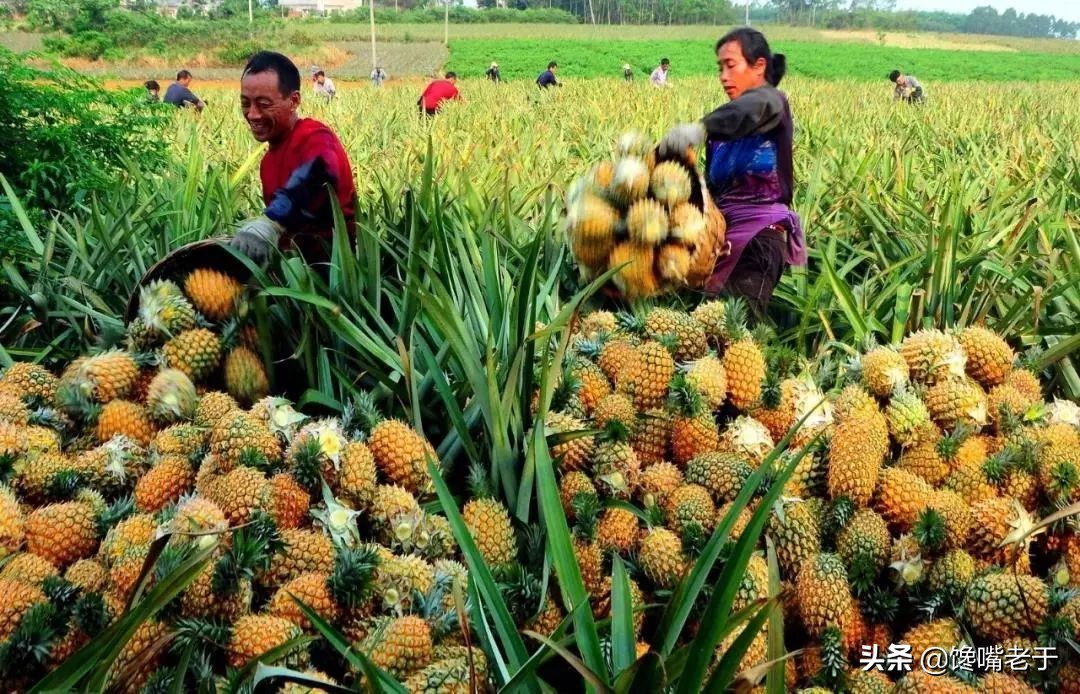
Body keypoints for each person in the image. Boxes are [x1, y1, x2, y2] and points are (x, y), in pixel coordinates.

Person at [657, 28, 806, 320]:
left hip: (759, 239)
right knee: (703, 334)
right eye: (720, 67)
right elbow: (713, 191)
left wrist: (697, 129)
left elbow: (752, 108)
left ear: (759, 66)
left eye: (731, 65)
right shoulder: (722, 129)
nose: (723, 76)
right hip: (723, 242)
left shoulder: (772, 103)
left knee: (731, 335)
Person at [230, 51, 357, 270]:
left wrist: (272, 221)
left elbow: (319, 171)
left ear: (294, 100)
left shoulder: (314, 136)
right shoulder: (267, 163)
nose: (252, 114)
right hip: (294, 272)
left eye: (263, 104)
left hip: (334, 275)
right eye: (245, 103)